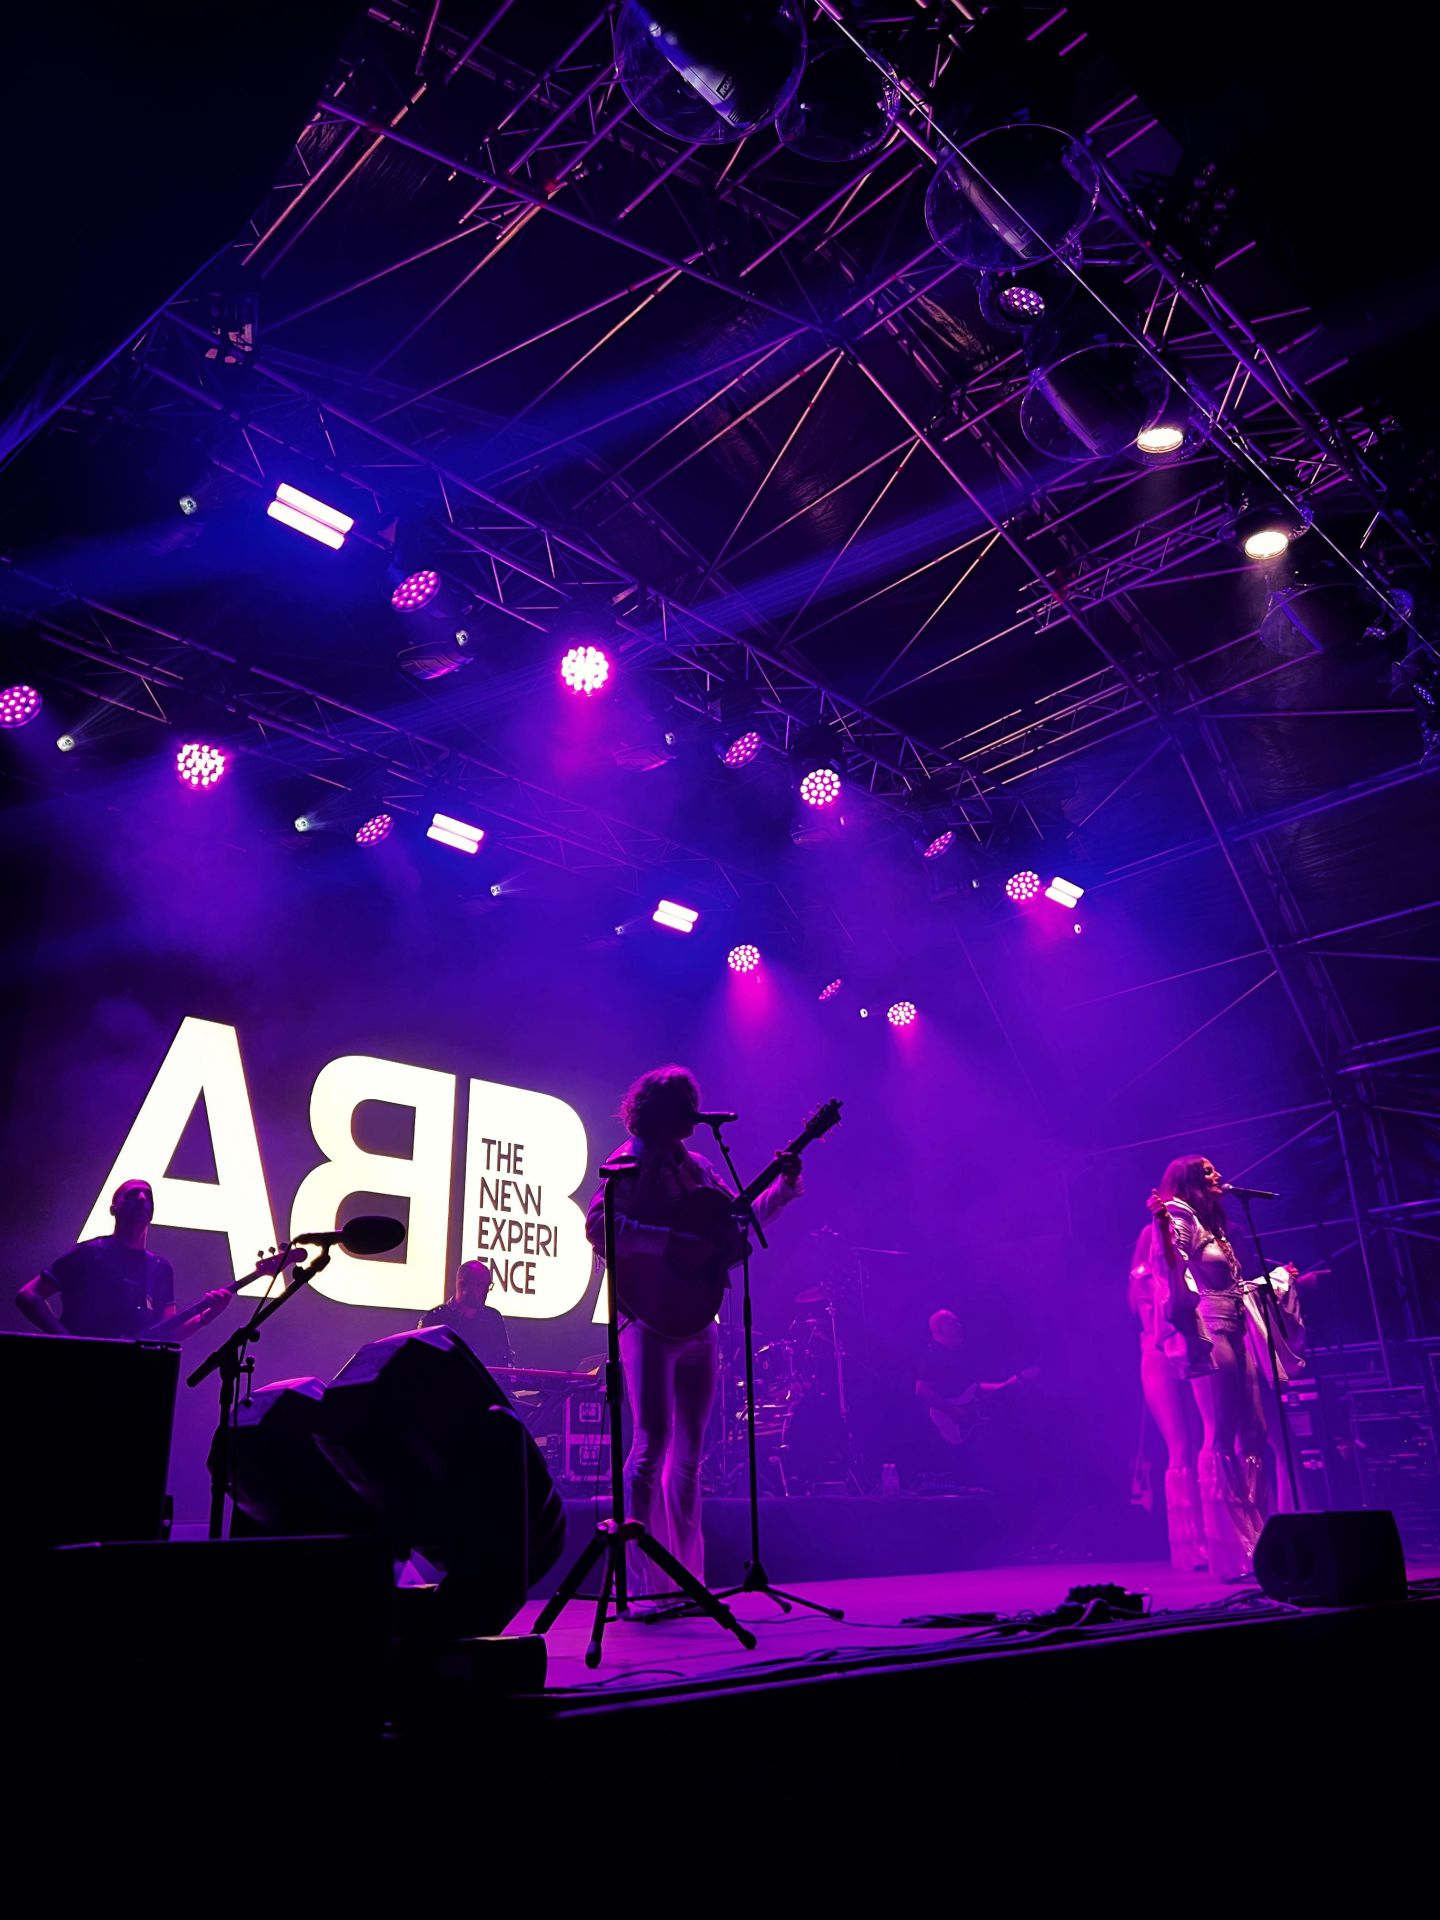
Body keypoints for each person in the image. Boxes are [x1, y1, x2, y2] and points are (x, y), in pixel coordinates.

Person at [585, 1064, 802, 1598]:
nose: (693, 1108)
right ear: (660, 1109)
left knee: (689, 1457)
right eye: (683, 1099)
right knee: (650, 1444)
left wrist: (785, 1184)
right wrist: (667, 1241)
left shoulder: (701, 1166)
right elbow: (598, 1226)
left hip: (698, 1320)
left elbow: (736, 1222)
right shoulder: (627, 1163)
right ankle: (644, 1584)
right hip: (648, 1320)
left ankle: (688, 1582)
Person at [1147, 1154, 1301, 1579]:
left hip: (1235, 1324)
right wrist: (1162, 1228)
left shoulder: (1211, 1225)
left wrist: (1280, 1281)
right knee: (1220, 1434)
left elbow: (1231, 1285)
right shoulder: (1178, 1213)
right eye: (1210, 1171)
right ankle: (1230, 1550)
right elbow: (1171, 1264)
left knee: (1256, 1432)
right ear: (1191, 1180)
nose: (1220, 1175)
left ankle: (1261, 1540)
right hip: (1211, 1327)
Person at [15, 1178, 232, 1341]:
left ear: (152, 1212)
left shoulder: (160, 1268)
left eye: (147, 1196)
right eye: (132, 1195)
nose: (141, 1198)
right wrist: (68, 1340)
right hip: (77, 1372)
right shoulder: (88, 1253)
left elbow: (168, 1331)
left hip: (130, 1377)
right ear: (113, 1209)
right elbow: (28, 1295)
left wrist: (208, 1315)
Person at [1127, 1228, 1206, 1571]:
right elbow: (1162, 1315)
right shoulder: (1145, 1277)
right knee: (1180, 1446)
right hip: (1159, 1355)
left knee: (1199, 1439)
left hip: (1183, 1354)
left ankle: (1208, 1533)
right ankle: (1189, 1543)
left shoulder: (1170, 1274)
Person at [420, 1257, 514, 1369]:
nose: (485, 1291)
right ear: (462, 1285)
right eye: (480, 1285)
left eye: (488, 1286)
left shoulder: (493, 1318)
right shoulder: (435, 1319)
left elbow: (505, 1359)